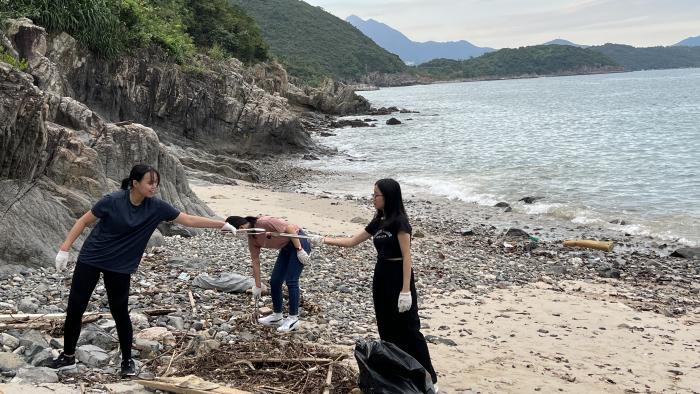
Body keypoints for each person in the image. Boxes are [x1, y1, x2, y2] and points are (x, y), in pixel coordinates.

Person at [46, 164, 237, 377]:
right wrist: (64, 249)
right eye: (150, 182)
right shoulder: (112, 200)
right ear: (135, 183)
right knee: (75, 307)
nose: (154, 187)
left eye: (156, 183)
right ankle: (68, 358)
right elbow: (83, 221)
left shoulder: (156, 207)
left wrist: (221, 224)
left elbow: (189, 219)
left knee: (120, 311)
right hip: (92, 258)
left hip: (119, 266)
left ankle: (127, 361)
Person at [317, 178, 438, 388]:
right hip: (381, 275)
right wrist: (324, 239)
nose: (373, 198)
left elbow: (407, 256)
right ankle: (401, 374)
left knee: (410, 330)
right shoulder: (379, 221)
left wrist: (406, 290)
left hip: (398, 275)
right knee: (386, 327)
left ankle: (429, 378)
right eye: (373, 194)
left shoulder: (400, 222)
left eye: (376, 195)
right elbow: (352, 242)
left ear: (388, 196)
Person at [225, 215, 311, 333]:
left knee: (291, 280)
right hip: (286, 248)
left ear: (240, 227)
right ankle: (277, 316)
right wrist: (257, 285)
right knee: (275, 281)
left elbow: (290, 228)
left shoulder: (264, 222)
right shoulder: (252, 238)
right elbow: (255, 261)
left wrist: (300, 250)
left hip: (298, 241)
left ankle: (293, 319)